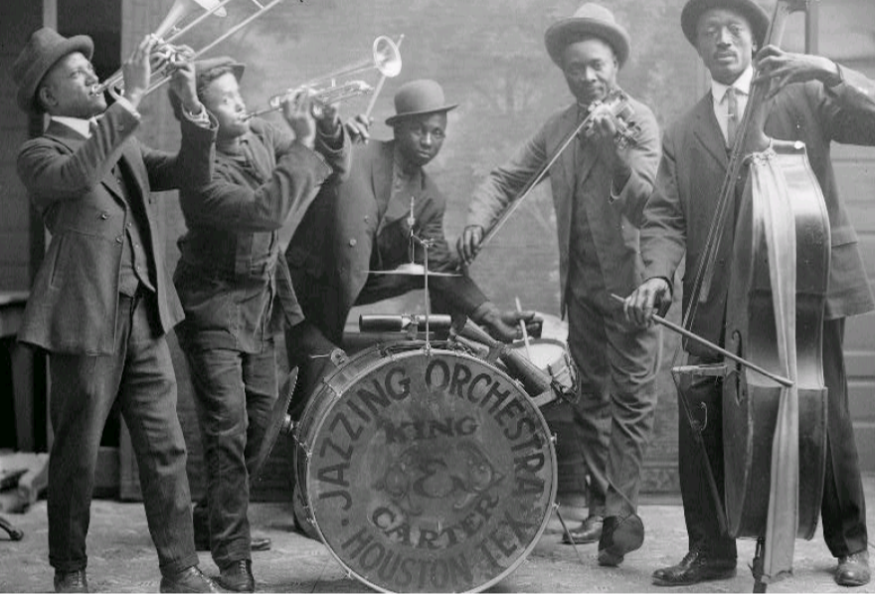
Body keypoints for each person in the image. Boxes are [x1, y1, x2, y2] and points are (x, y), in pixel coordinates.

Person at [623, 0, 875, 587]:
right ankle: (711, 550)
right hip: (719, 292)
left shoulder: (803, 94)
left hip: (805, 280)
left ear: (754, 39)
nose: (722, 39)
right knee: (700, 404)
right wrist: (658, 274)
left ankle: (850, 544)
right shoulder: (683, 130)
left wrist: (827, 69)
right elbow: (664, 216)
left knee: (823, 407)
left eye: (734, 29)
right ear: (698, 46)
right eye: (709, 31)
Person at [11, 28, 220, 594]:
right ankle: (69, 570)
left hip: (145, 312)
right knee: (76, 454)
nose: (92, 76)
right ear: (49, 97)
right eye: (77, 74)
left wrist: (189, 103)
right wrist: (131, 98)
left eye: (90, 69)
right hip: (85, 318)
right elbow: (78, 174)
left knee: (165, 446)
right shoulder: (40, 153)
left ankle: (181, 570)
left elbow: (190, 175)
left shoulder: (120, 138)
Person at [457, 3, 661, 567]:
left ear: (616, 64)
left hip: (635, 290)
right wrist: (477, 221)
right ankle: (598, 507)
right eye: (575, 69)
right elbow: (506, 179)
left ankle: (619, 515)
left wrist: (613, 148)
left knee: (632, 400)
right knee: (591, 398)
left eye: (597, 65)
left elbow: (646, 202)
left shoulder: (639, 121)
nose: (587, 77)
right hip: (584, 291)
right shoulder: (558, 128)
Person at [170, 56, 355, 593]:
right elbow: (266, 210)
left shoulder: (262, 136)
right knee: (227, 429)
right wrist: (303, 140)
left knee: (259, 426)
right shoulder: (199, 171)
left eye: (238, 94)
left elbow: (334, 168)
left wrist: (326, 126)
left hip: (261, 302)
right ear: (201, 115)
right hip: (212, 305)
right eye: (225, 100)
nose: (240, 104)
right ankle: (232, 554)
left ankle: (211, 517)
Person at [284, 78, 537, 417]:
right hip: (294, 299)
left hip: (337, 316)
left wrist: (490, 314)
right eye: (420, 130)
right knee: (286, 403)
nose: (429, 141)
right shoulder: (356, 151)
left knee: (324, 411)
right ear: (399, 128)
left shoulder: (430, 199)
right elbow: (323, 148)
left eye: (437, 133)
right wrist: (331, 128)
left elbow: (439, 267)